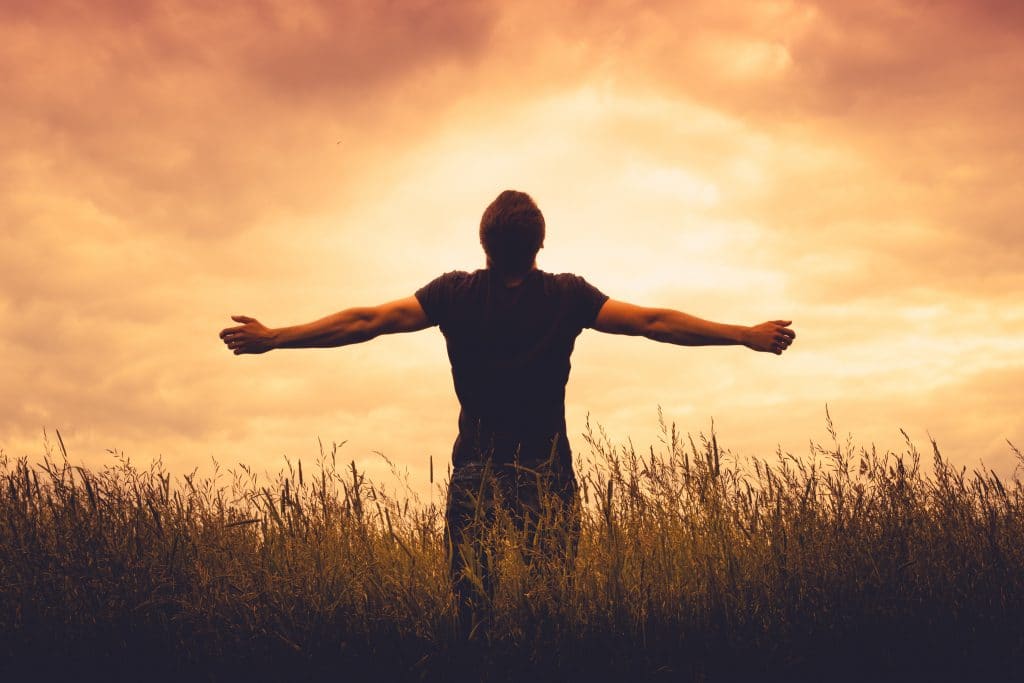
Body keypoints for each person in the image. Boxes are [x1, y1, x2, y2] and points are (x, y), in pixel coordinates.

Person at [219, 189, 795, 623]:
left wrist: (276, 337)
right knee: (551, 612)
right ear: (539, 244)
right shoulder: (567, 296)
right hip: (547, 473)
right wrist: (742, 333)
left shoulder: (454, 294)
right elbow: (653, 323)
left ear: (485, 244)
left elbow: (367, 321)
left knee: (472, 616)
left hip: (476, 472)